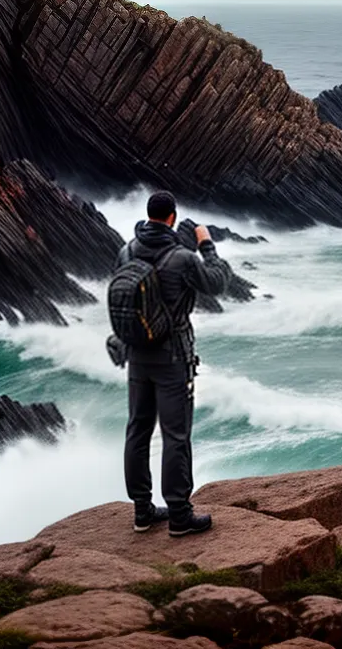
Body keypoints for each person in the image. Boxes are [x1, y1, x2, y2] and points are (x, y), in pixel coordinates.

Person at [117, 189, 231, 537]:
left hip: (136, 355)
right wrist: (206, 245)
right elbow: (218, 282)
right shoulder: (182, 258)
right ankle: (179, 515)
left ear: (148, 215)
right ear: (172, 217)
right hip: (173, 358)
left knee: (137, 429)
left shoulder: (126, 251)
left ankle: (142, 511)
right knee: (175, 435)